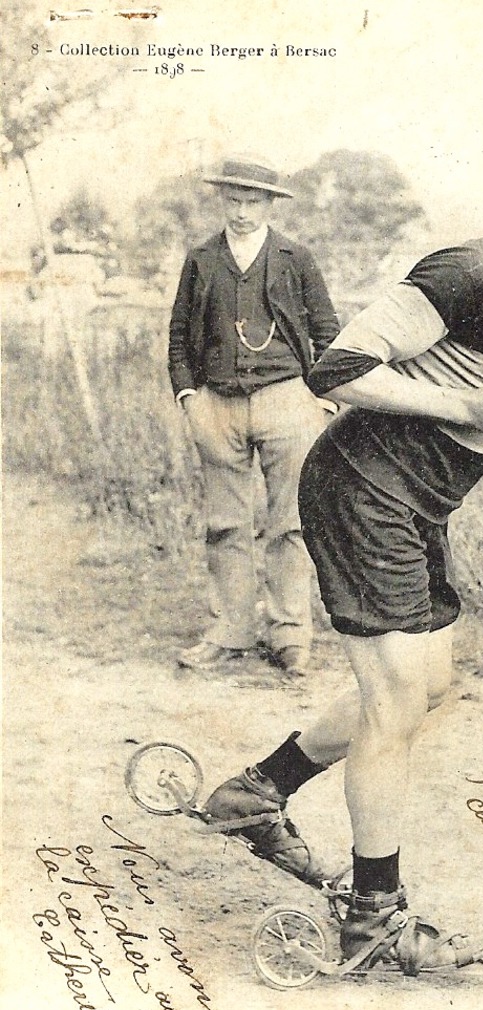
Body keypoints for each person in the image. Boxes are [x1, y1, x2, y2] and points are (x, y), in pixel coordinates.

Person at [204, 127, 483, 972]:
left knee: (425, 686)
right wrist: (464, 416)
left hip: (414, 505)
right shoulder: (467, 269)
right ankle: (374, 914)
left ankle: (259, 793)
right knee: (395, 699)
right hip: (365, 492)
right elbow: (335, 368)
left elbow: (467, 373)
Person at [169, 154, 340, 675]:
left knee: (289, 524)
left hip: (287, 401)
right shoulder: (201, 258)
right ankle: (232, 631)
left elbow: (329, 332)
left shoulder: (295, 256)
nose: (242, 211)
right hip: (217, 403)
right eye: (234, 200)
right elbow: (178, 338)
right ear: (222, 200)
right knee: (225, 525)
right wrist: (190, 399)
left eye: (253, 201)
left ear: (269, 204)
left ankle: (290, 636)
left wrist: (323, 401)